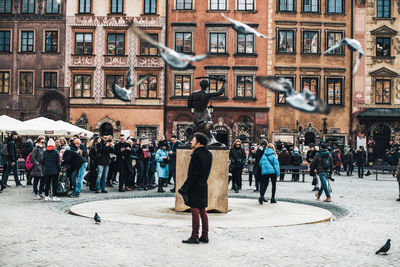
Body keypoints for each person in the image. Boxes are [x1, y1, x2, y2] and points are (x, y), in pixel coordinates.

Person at [179, 132, 212, 244]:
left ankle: (194, 236)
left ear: (198, 143)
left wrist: (184, 187)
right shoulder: (209, 154)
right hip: (204, 185)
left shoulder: (196, 155)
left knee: (195, 211)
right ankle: (205, 235)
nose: (191, 142)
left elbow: (192, 175)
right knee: (203, 211)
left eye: (193, 140)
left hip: (195, 186)